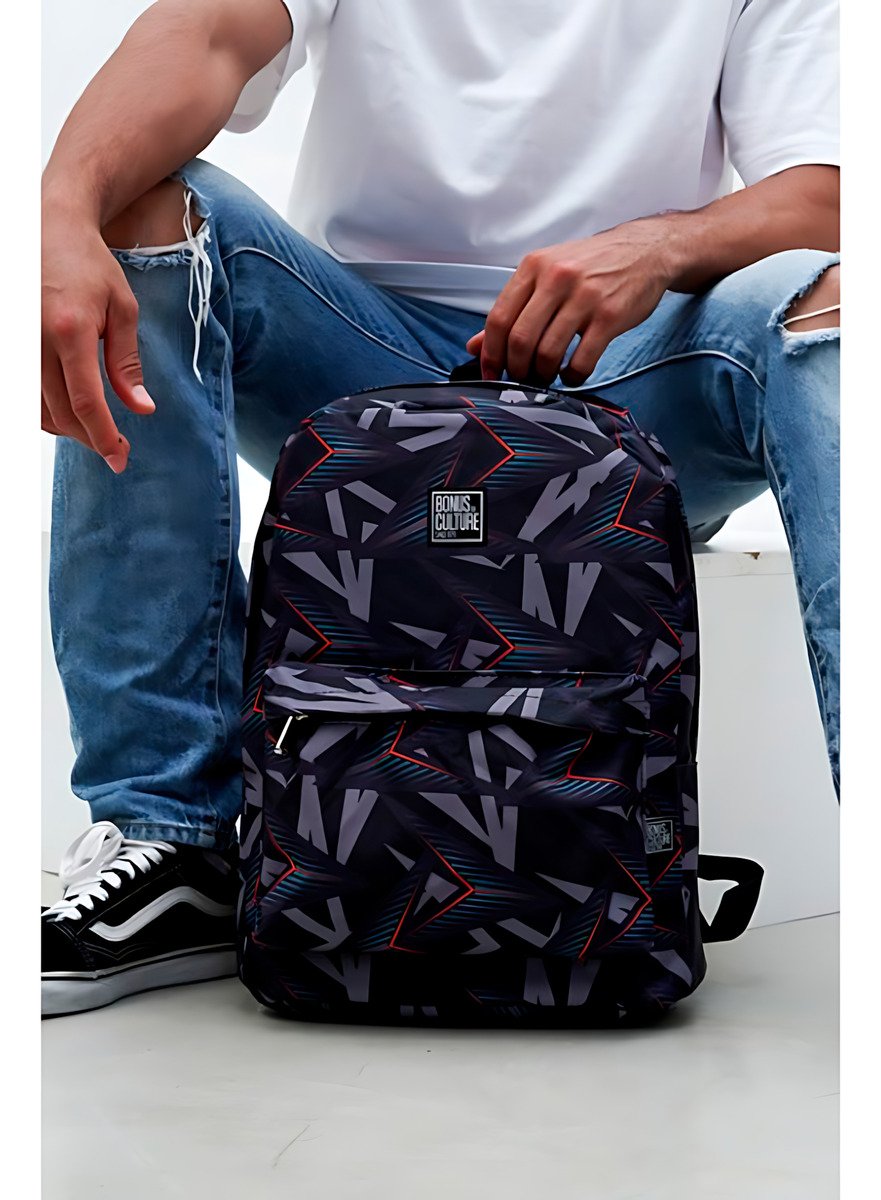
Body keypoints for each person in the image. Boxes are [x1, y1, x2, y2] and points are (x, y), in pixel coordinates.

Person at [40, 0, 840, 1016]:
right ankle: (175, 838)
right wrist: (55, 215)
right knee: (138, 209)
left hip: (626, 387)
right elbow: (203, 34)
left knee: (829, 303)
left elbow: (827, 191)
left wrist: (656, 246)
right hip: (360, 380)